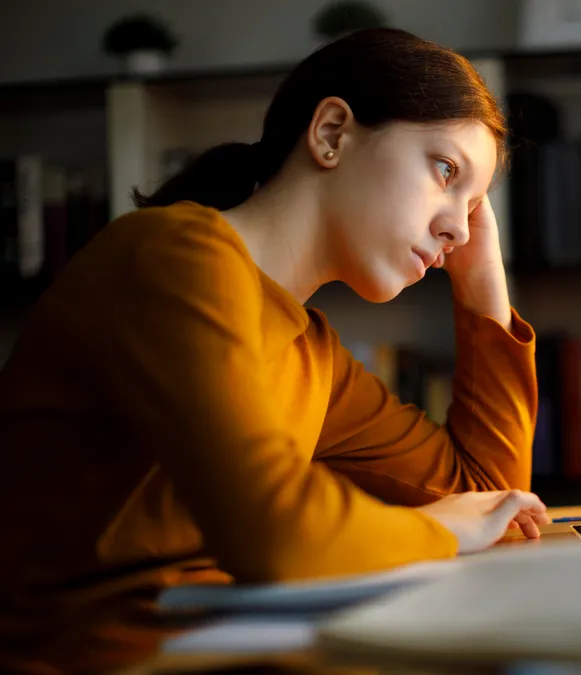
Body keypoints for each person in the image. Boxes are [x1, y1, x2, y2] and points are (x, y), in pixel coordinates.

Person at [0, 28, 548, 673]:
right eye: (445, 171)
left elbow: (493, 499)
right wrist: (444, 529)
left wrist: (483, 285)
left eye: (475, 206)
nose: (458, 227)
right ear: (332, 133)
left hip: (226, 644)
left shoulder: (312, 351)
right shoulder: (175, 255)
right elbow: (274, 531)